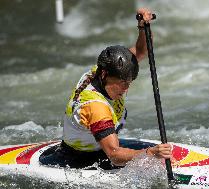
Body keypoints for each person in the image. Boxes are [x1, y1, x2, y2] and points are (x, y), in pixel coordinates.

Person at [39, 8, 172, 170]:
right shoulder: (96, 107)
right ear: (104, 75)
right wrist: (150, 153)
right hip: (81, 160)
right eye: (122, 83)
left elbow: (141, 51)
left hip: (100, 147)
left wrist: (143, 28)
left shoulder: (105, 70)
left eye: (129, 82)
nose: (126, 88)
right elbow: (115, 156)